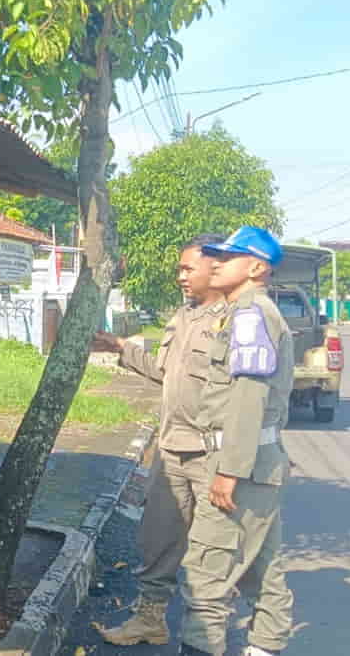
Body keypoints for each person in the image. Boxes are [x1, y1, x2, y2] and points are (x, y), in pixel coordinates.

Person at [91, 234, 228, 646]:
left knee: (209, 555)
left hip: (213, 456)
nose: (180, 277)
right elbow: (165, 373)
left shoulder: (237, 320)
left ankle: (205, 638)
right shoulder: (183, 317)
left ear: (215, 269)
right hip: (171, 451)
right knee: (157, 540)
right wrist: (120, 347)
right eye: (179, 269)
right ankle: (150, 620)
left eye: (188, 269)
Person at [178, 227, 295, 656]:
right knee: (260, 570)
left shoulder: (251, 314)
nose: (218, 262)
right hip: (255, 465)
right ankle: (265, 647)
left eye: (229, 257)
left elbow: (249, 395)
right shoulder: (241, 312)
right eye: (215, 256)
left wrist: (229, 470)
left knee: (205, 575)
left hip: (240, 465)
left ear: (257, 267)